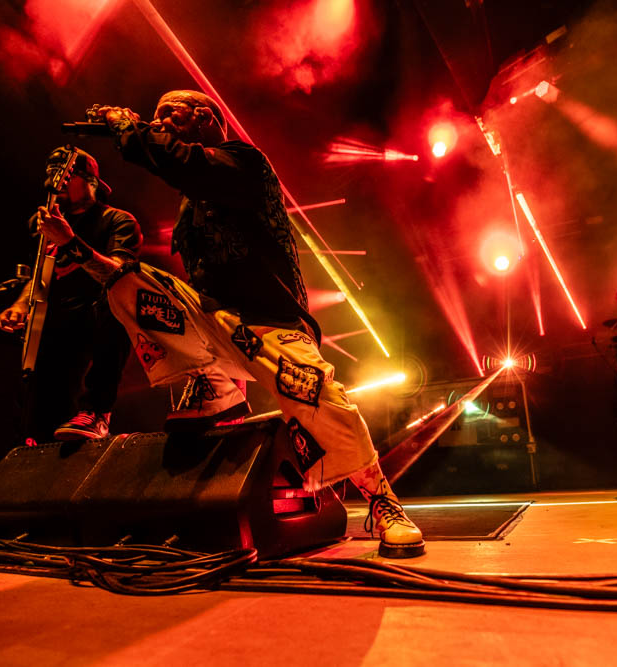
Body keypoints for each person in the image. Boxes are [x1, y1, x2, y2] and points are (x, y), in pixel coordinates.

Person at [81, 90, 425, 558]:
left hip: (269, 323)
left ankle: (382, 500)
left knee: (317, 396)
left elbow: (181, 162)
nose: (159, 123)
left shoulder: (245, 163)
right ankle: (215, 384)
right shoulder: (191, 199)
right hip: (214, 323)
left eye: (170, 114)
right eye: (155, 117)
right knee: (126, 280)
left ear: (204, 118)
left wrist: (128, 126)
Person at [0, 147, 142, 442]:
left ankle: (97, 411)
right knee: (41, 419)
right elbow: (42, 272)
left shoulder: (117, 220)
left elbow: (119, 276)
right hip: (56, 321)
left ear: (91, 181)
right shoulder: (47, 223)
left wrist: (70, 241)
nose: (56, 181)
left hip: (97, 317)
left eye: (66, 175)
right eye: (52, 174)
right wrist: (21, 305)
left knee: (114, 306)